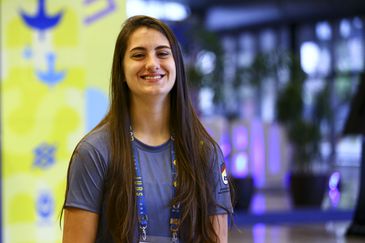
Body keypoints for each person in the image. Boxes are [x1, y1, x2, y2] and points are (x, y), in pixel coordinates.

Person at [61, 15, 233, 243]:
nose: (152, 63)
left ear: (176, 66)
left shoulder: (205, 153)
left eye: (162, 53)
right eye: (138, 55)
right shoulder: (94, 152)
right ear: (121, 70)